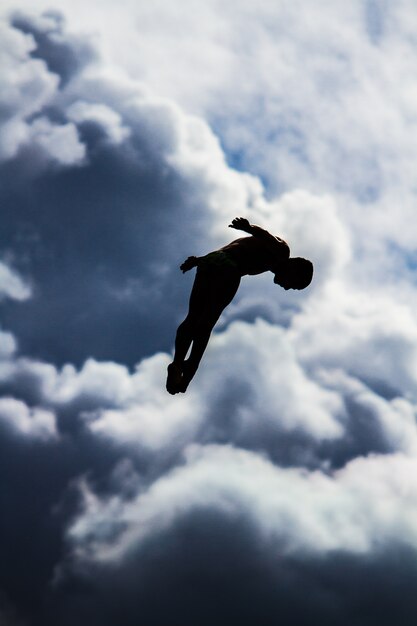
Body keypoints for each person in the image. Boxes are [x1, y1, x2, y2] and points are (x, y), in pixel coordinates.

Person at [166, 217, 313, 394]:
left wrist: (197, 260)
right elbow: (265, 235)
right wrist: (248, 227)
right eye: (293, 283)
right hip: (228, 269)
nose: (287, 287)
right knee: (206, 324)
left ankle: (177, 364)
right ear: (294, 268)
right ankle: (189, 370)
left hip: (211, 262)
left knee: (193, 317)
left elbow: (231, 250)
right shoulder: (282, 252)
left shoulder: (268, 259)